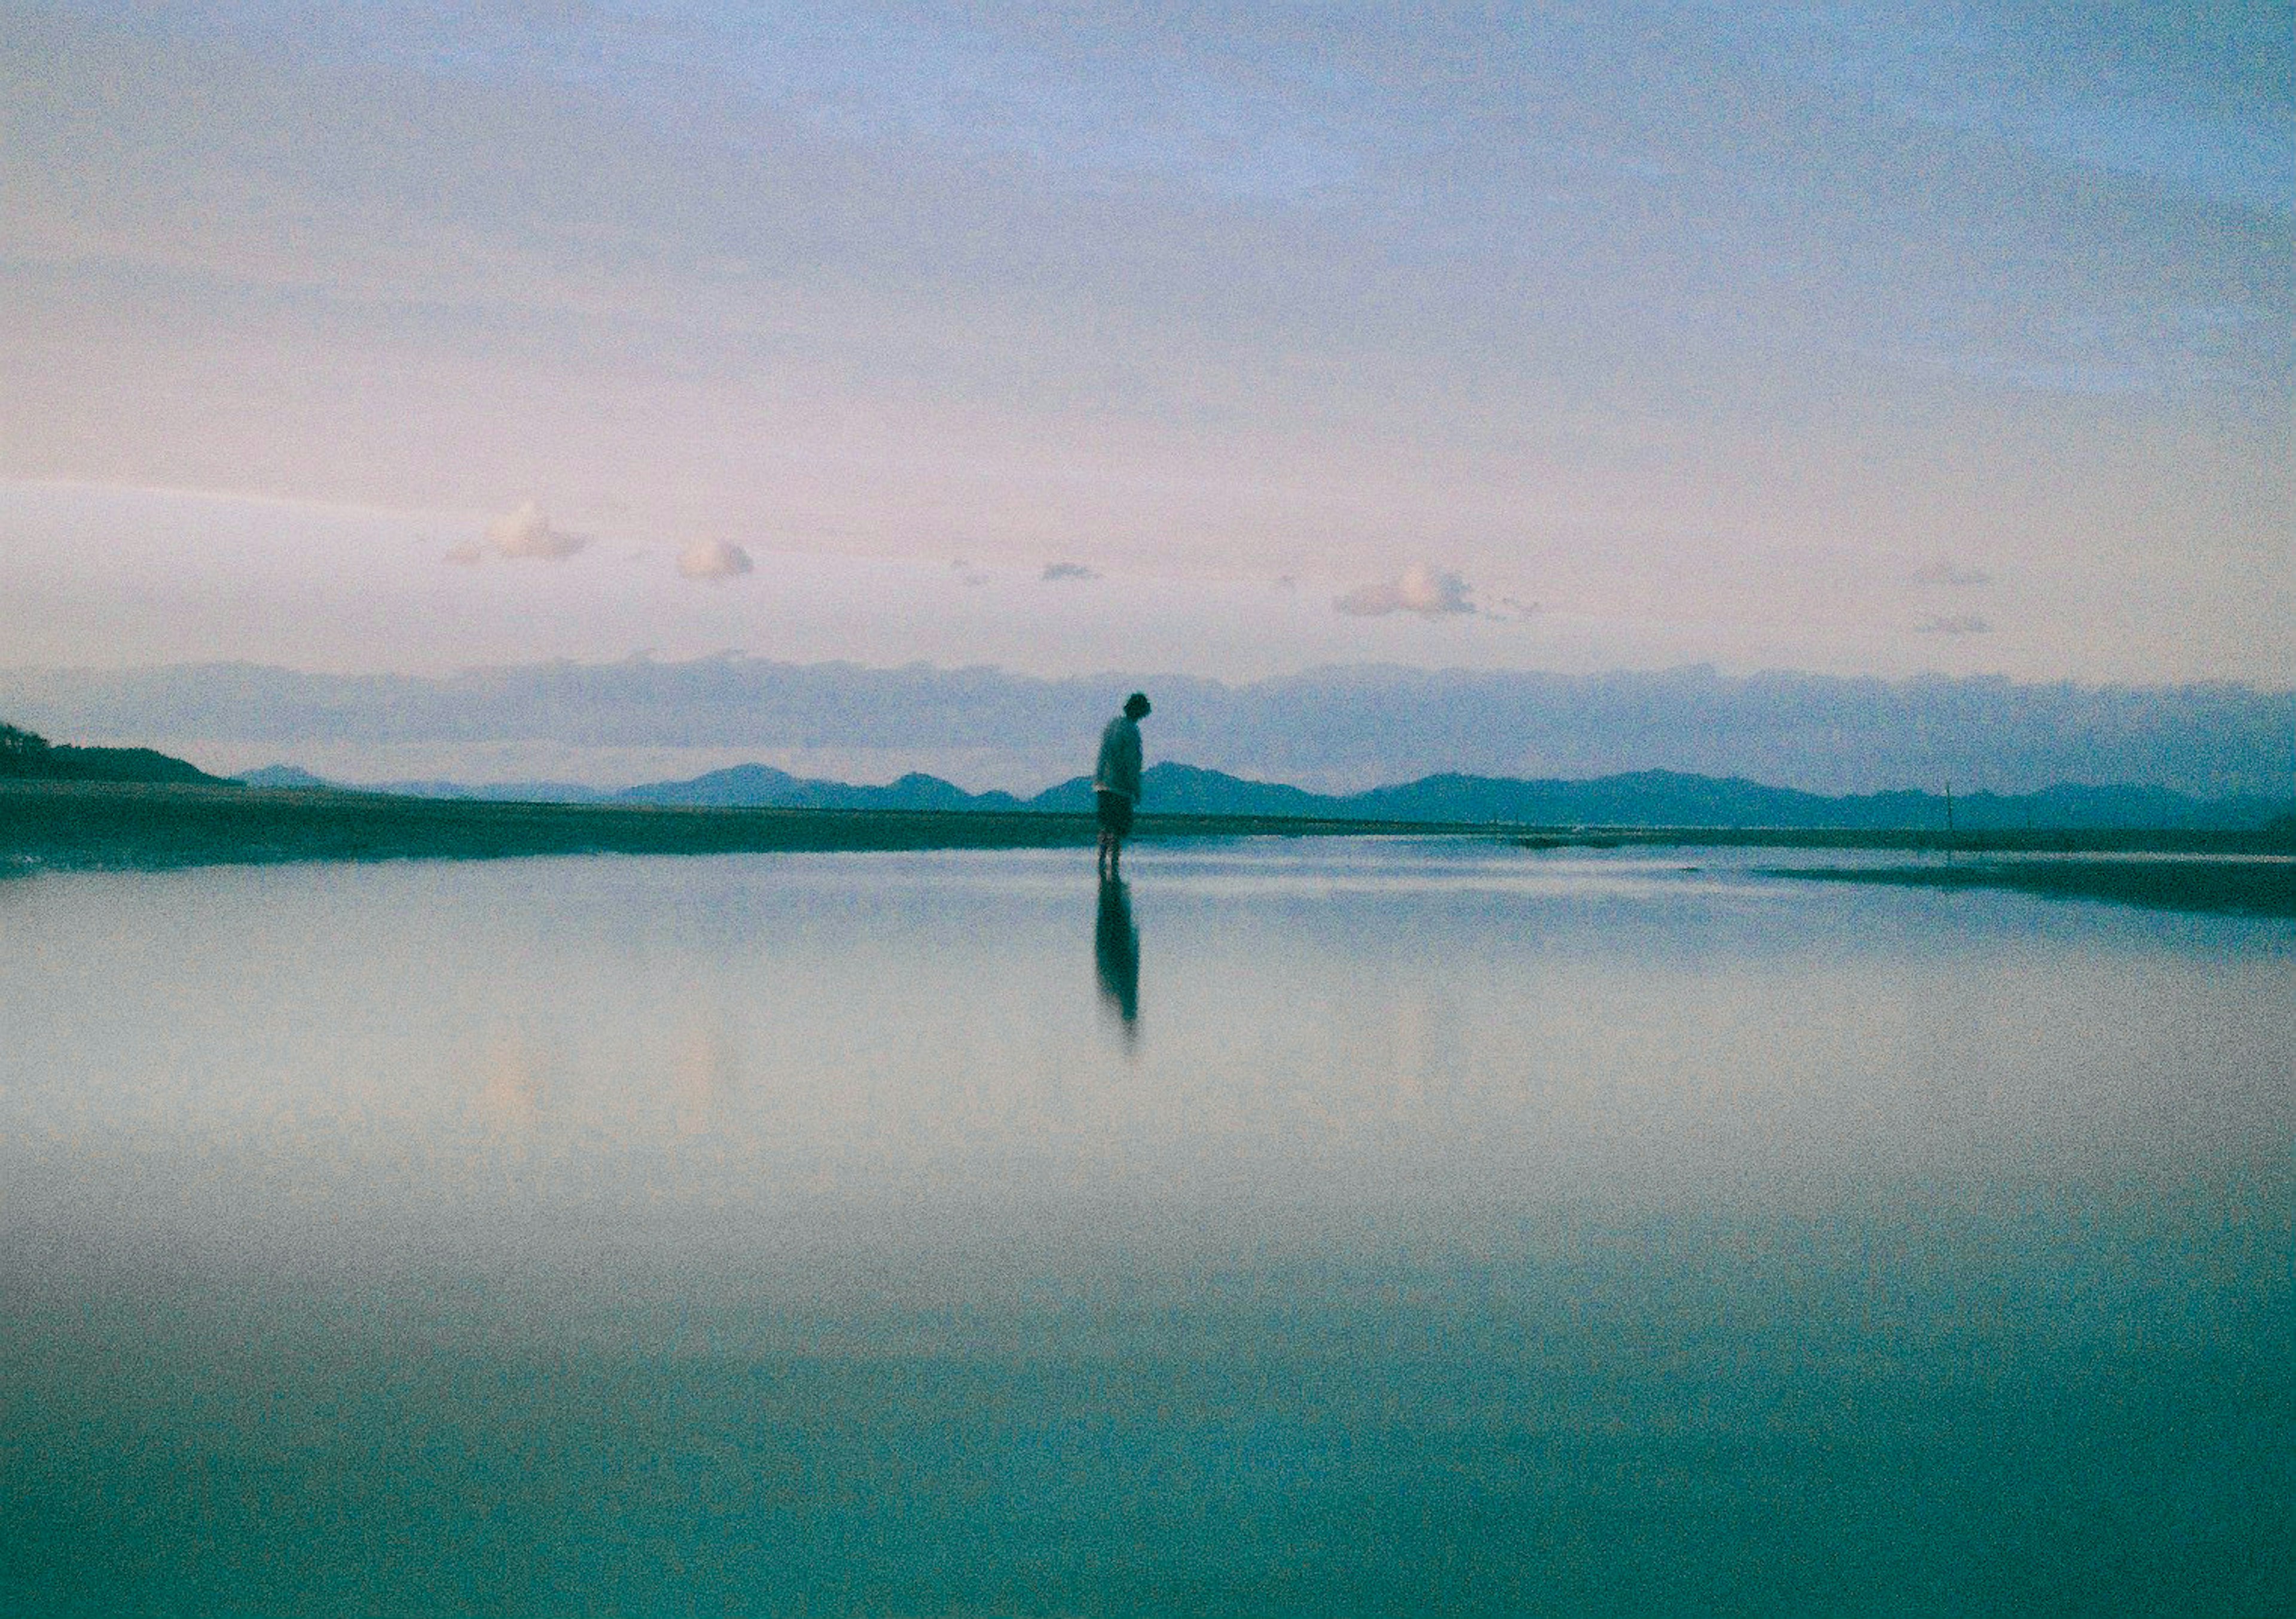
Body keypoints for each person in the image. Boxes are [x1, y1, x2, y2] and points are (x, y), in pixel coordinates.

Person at [1094, 691, 1150, 878]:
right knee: (1117, 829)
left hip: (1103, 785)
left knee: (1106, 826)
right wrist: (1136, 788)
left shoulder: (1112, 725)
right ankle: (1114, 869)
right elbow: (1131, 763)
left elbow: (1103, 755)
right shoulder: (1131, 731)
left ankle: (1102, 866)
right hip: (1120, 788)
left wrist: (1098, 778)